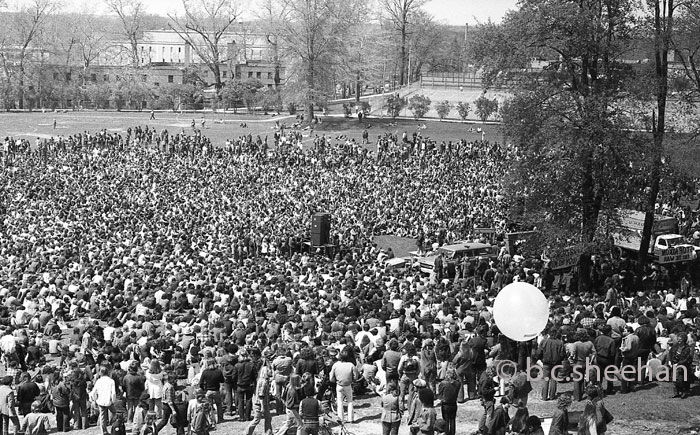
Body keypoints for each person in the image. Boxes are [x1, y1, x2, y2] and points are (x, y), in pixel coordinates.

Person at [329, 348, 359, 424]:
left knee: (339, 402)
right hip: (348, 385)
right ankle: (350, 419)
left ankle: (340, 418)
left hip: (339, 385)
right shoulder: (351, 365)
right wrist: (353, 380)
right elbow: (356, 375)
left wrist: (334, 380)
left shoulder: (336, 365)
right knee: (350, 401)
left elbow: (331, 377)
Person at [537, 327, 566, 401]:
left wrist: (541, 359)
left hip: (546, 363)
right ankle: (552, 396)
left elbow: (539, 352)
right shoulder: (560, 342)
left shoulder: (544, 341)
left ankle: (544, 396)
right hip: (556, 363)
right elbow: (563, 354)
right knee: (554, 379)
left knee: (546, 379)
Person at [90, 366, 117, 435]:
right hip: (109, 401)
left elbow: (93, 392)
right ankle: (115, 426)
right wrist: (113, 400)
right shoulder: (111, 381)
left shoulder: (98, 381)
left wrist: (95, 399)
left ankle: (103, 431)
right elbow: (113, 393)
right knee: (115, 413)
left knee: (102, 417)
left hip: (101, 401)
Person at [247, 363, 273, 435]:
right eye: (269, 370)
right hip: (260, 403)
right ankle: (247, 432)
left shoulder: (261, 380)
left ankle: (268, 432)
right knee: (257, 419)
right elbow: (261, 395)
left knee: (268, 418)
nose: (271, 371)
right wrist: (262, 407)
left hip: (264, 402)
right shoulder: (264, 382)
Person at [436, 370, 459, 435]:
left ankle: (446, 433)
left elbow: (440, 395)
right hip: (454, 403)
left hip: (445, 404)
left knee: (445, 421)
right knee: (452, 421)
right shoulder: (457, 383)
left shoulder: (443, 383)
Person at [670, 331, 693, 398]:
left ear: (684, 340)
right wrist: (670, 361)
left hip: (683, 366)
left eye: (680, 339)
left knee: (682, 380)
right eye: (678, 339)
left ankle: (684, 391)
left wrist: (678, 364)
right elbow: (670, 353)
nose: (679, 340)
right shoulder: (675, 346)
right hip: (674, 364)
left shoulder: (687, 348)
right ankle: (676, 393)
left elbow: (687, 358)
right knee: (674, 379)